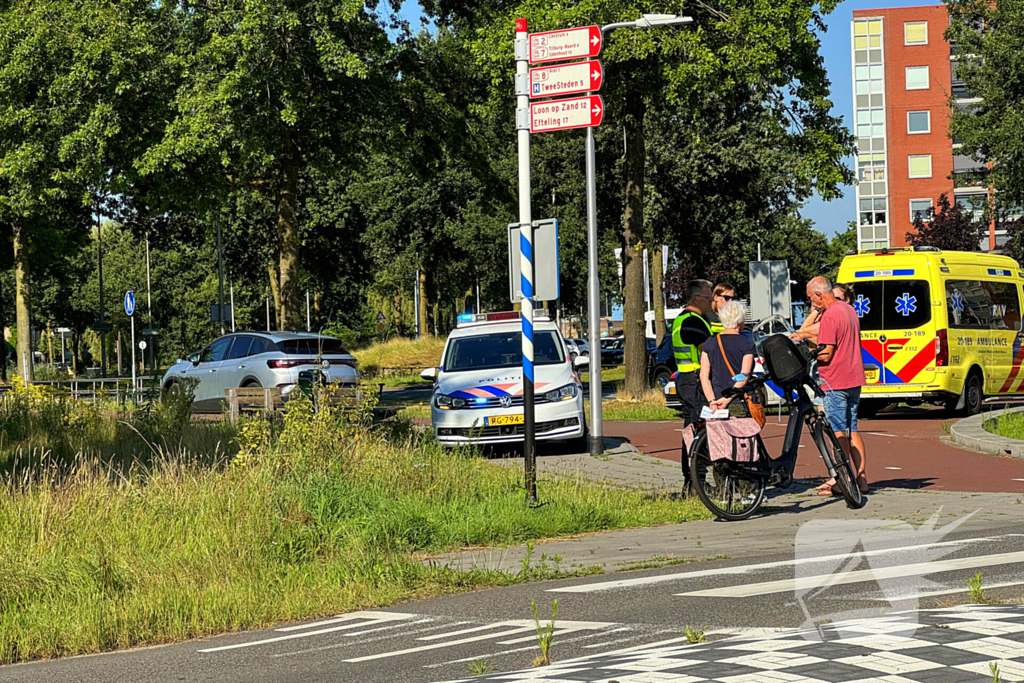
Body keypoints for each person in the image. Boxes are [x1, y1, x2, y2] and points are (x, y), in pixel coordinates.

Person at [805, 276, 869, 495]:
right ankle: (861, 478)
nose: (812, 303)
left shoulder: (830, 315)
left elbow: (826, 353)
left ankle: (842, 480)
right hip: (854, 378)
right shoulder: (849, 310)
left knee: (837, 432)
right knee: (852, 429)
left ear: (819, 294)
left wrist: (810, 355)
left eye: (811, 298)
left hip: (835, 381)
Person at [700, 301, 756, 416]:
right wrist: (726, 400)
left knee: (718, 433)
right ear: (740, 321)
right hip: (738, 400)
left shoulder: (710, 342)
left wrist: (712, 401)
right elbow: (743, 376)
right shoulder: (746, 344)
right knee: (745, 432)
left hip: (716, 401)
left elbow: (703, 376)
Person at [671, 279, 714, 426]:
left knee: (691, 426)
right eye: (708, 298)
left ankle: (690, 449)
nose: (711, 301)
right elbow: (708, 350)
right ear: (695, 299)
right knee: (701, 425)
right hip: (695, 380)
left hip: (685, 378)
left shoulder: (683, 318)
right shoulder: (693, 322)